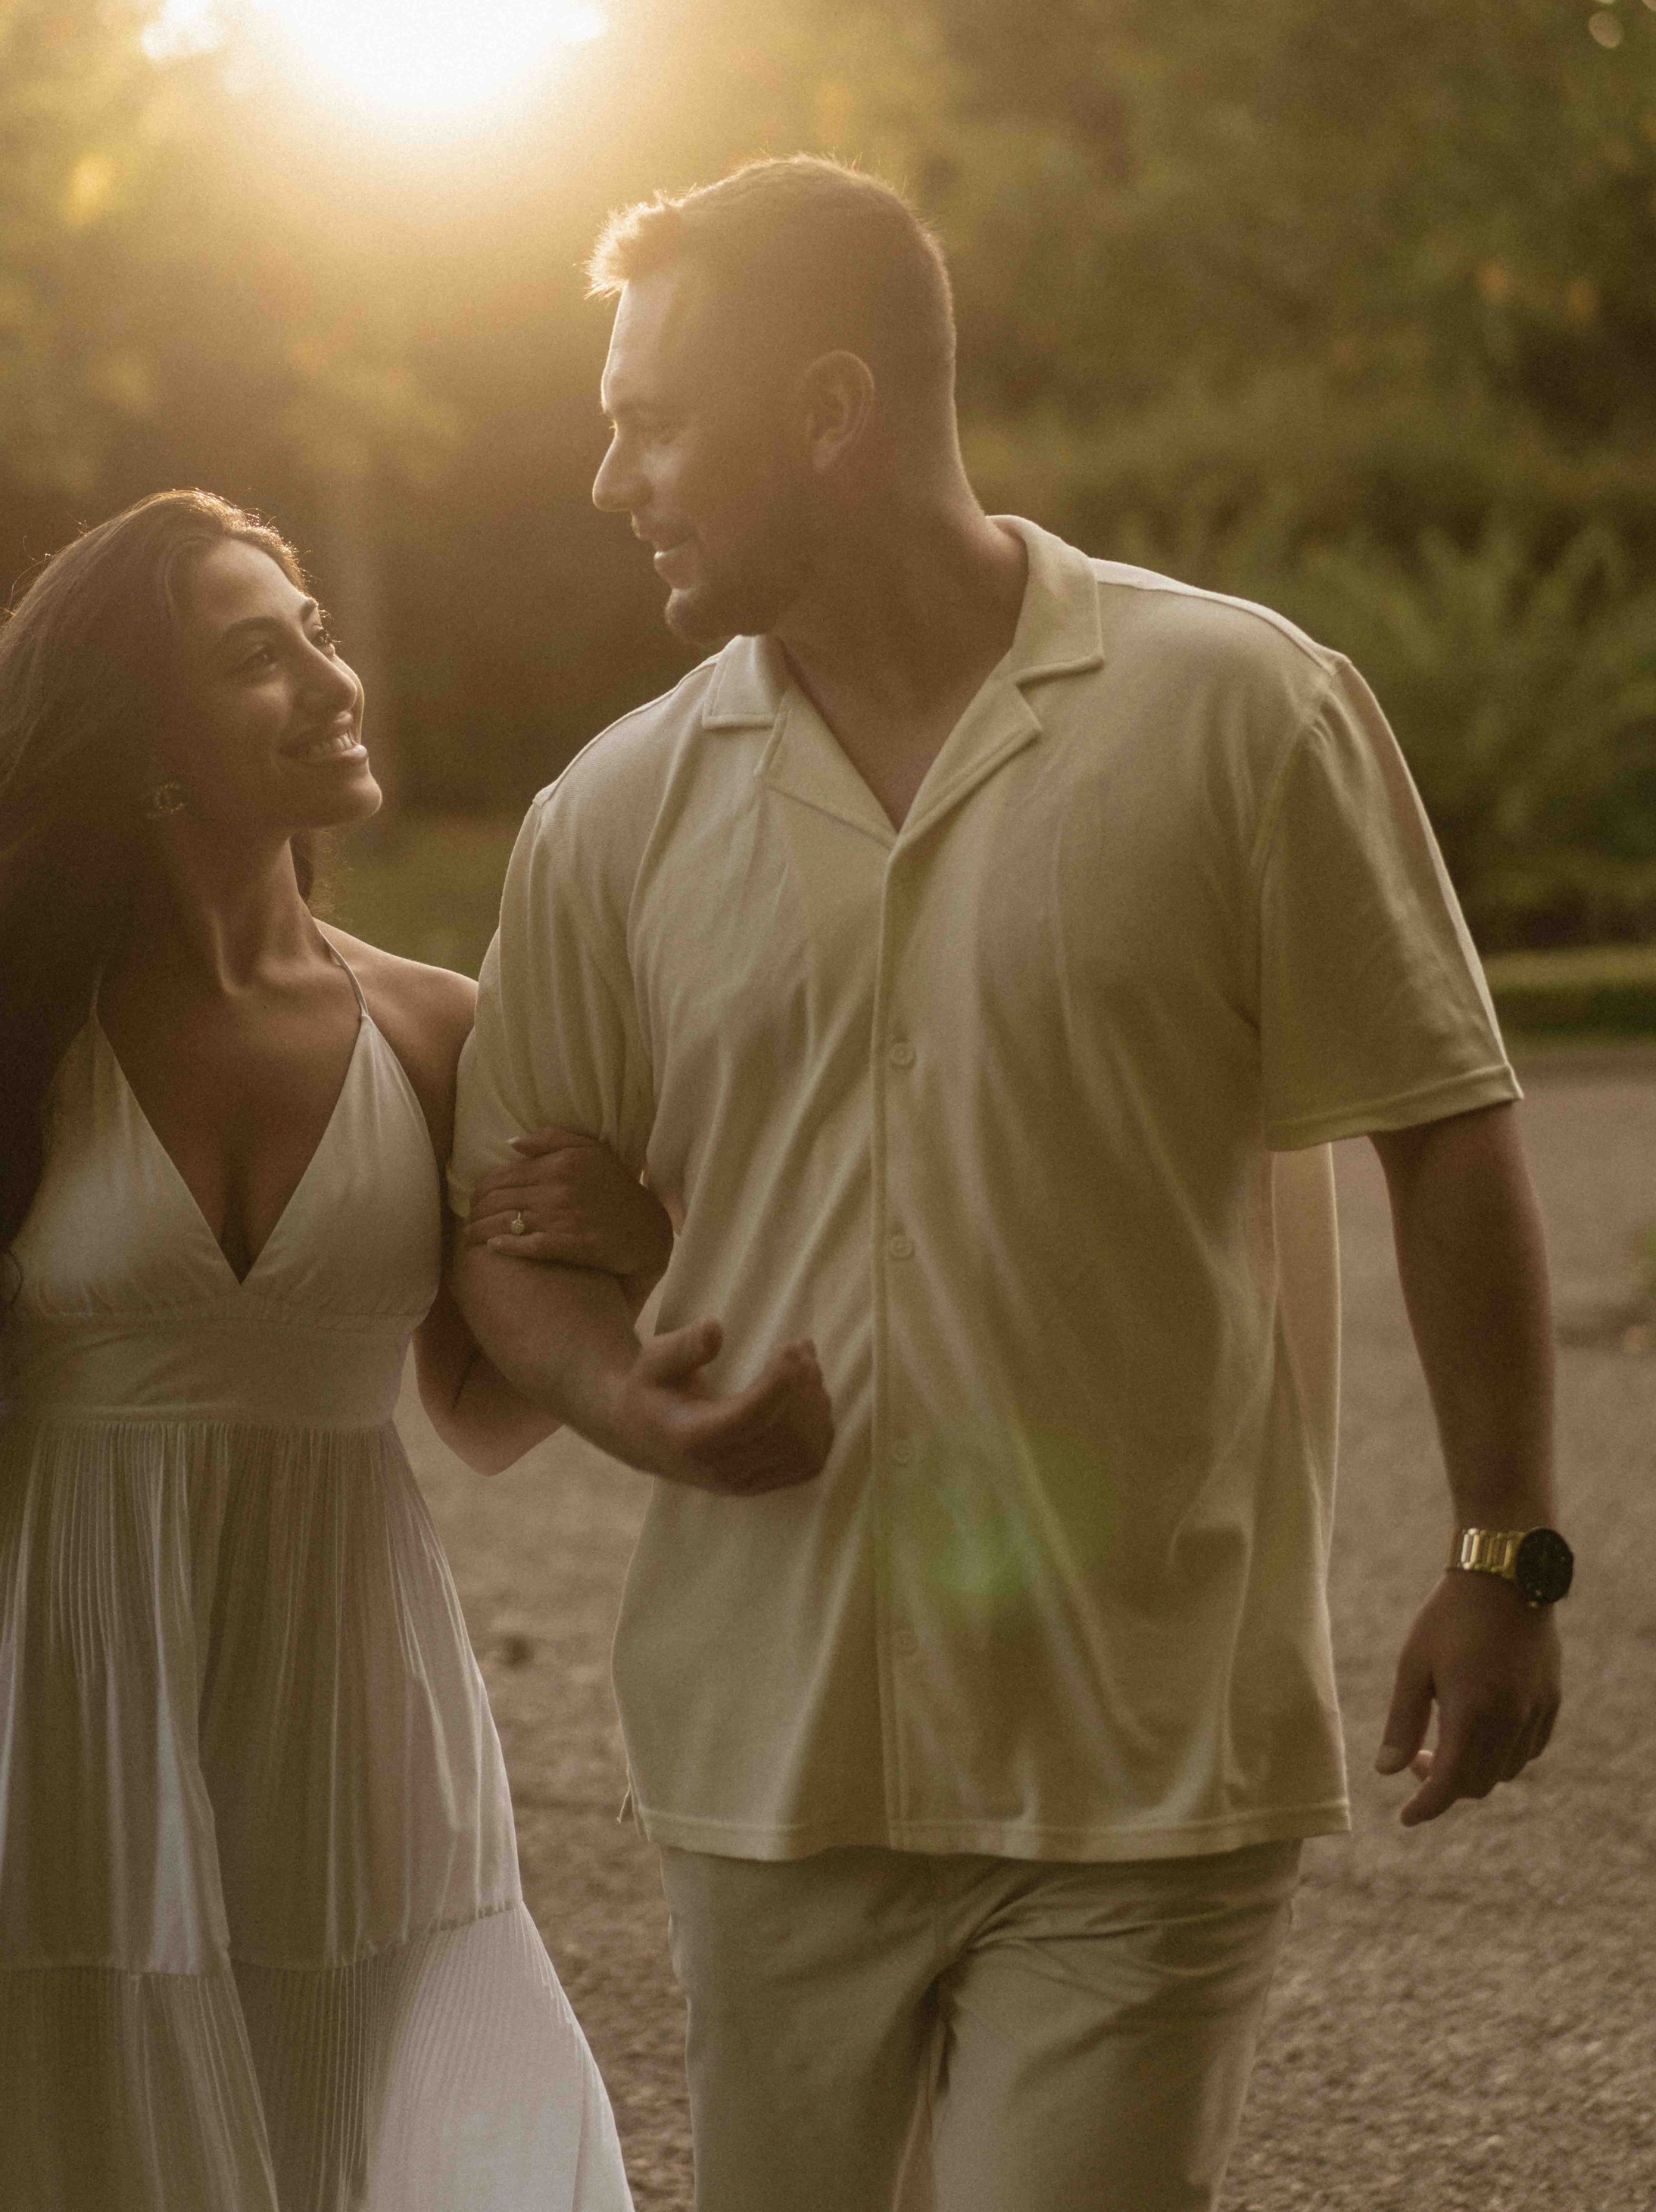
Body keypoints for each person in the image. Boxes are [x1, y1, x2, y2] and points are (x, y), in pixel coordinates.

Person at [448, 157, 1570, 2212]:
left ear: (828, 410)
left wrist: (1505, 1555)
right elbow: (506, 1249)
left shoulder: (1242, 709)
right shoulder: (608, 815)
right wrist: (642, 1408)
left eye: (653, 418)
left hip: (1146, 1750)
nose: (613, 478)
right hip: (768, 1760)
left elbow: (1446, 1115)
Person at [0, 489, 646, 2212]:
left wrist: (622, 1249)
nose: (324, 676)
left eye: (316, 631)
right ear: (144, 747)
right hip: (38, 1673)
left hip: (339, 1682)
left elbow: (480, 1408)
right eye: (253, 656)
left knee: (328, 2124)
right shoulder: (3, 1042)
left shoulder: (435, 1025)